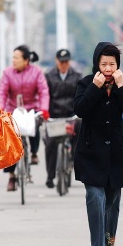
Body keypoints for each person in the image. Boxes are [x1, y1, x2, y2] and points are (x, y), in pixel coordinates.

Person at [73, 42, 123, 246]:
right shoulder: (85, 83)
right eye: (104, 64)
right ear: (97, 65)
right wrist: (94, 87)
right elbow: (80, 109)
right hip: (91, 152)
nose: (108, 68)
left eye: (112, 63)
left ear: (117, 65)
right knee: (95, 196)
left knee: (112, 202)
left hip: (115, 154)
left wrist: (121, 86)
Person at [0, 45, 50, 191]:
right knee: (10, 140)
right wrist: (1, 110)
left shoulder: (37, 72)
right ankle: (11, 176)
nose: (13, 60)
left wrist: (43, 109)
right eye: (12, 57)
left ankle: (33, 152)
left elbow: (43, 91)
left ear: (26, 60)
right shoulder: (7, 73)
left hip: (31, 108)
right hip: (13, 110)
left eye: (16, 57)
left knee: (35, 124)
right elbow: (2, 93)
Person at [43, 49, 82, 188]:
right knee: (50, 143)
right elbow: (45, 95)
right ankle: (50, 176)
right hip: (54, 115)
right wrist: (44, 112)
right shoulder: (48, 76)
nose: (64, 64)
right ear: (56, 61)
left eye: (66, 62)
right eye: (61, 62)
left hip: (72, 115)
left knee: (79, 136)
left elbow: (81, 96)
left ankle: (76, 164)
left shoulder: (77, 76)